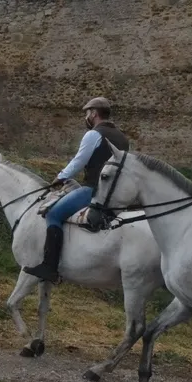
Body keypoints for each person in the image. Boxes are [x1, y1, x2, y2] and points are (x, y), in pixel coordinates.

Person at [22, 96, 130, 283]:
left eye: (87, 113)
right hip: (117, 196)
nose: (86, 117)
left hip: (94, 191)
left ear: (94, 113)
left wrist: (61, 177)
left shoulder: (93, 134)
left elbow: (79, 161)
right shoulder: (123, 139)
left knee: (53, 214)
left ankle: (49, 267)